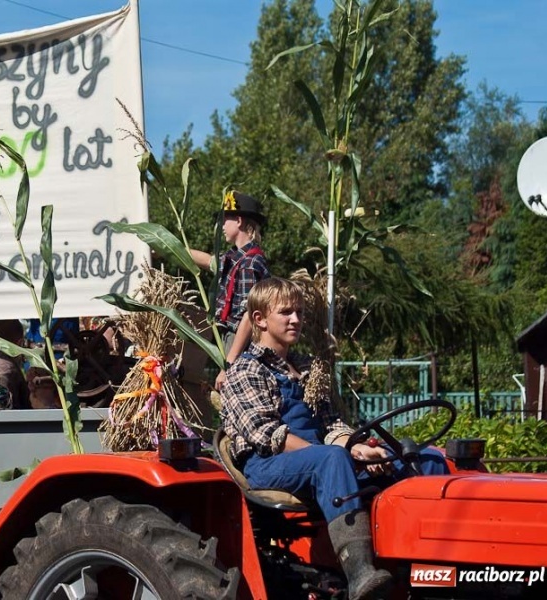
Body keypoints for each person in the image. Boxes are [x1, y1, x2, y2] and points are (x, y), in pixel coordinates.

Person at [220, 277, 448, 600]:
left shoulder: (307, 368)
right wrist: (336, 453)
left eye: (299, 312)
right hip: (268, 465)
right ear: (259, 320)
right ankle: (359, 573)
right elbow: (268, 435)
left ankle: (439, 563)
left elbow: (332, 425)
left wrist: (355, 448)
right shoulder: (246, 371)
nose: (296, 319)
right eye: (286, 312)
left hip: (322, 460)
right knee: (330, 459)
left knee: (419, 457)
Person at [189, 189, 271, 388]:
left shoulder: (250, 263)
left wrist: (228, 366)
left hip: (242, 343)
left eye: (225, 220)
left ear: (240, 221)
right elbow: (209, 261)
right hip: (232, 341)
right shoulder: (235, 257)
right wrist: (167, 247)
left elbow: (249, 316)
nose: (221, 226)